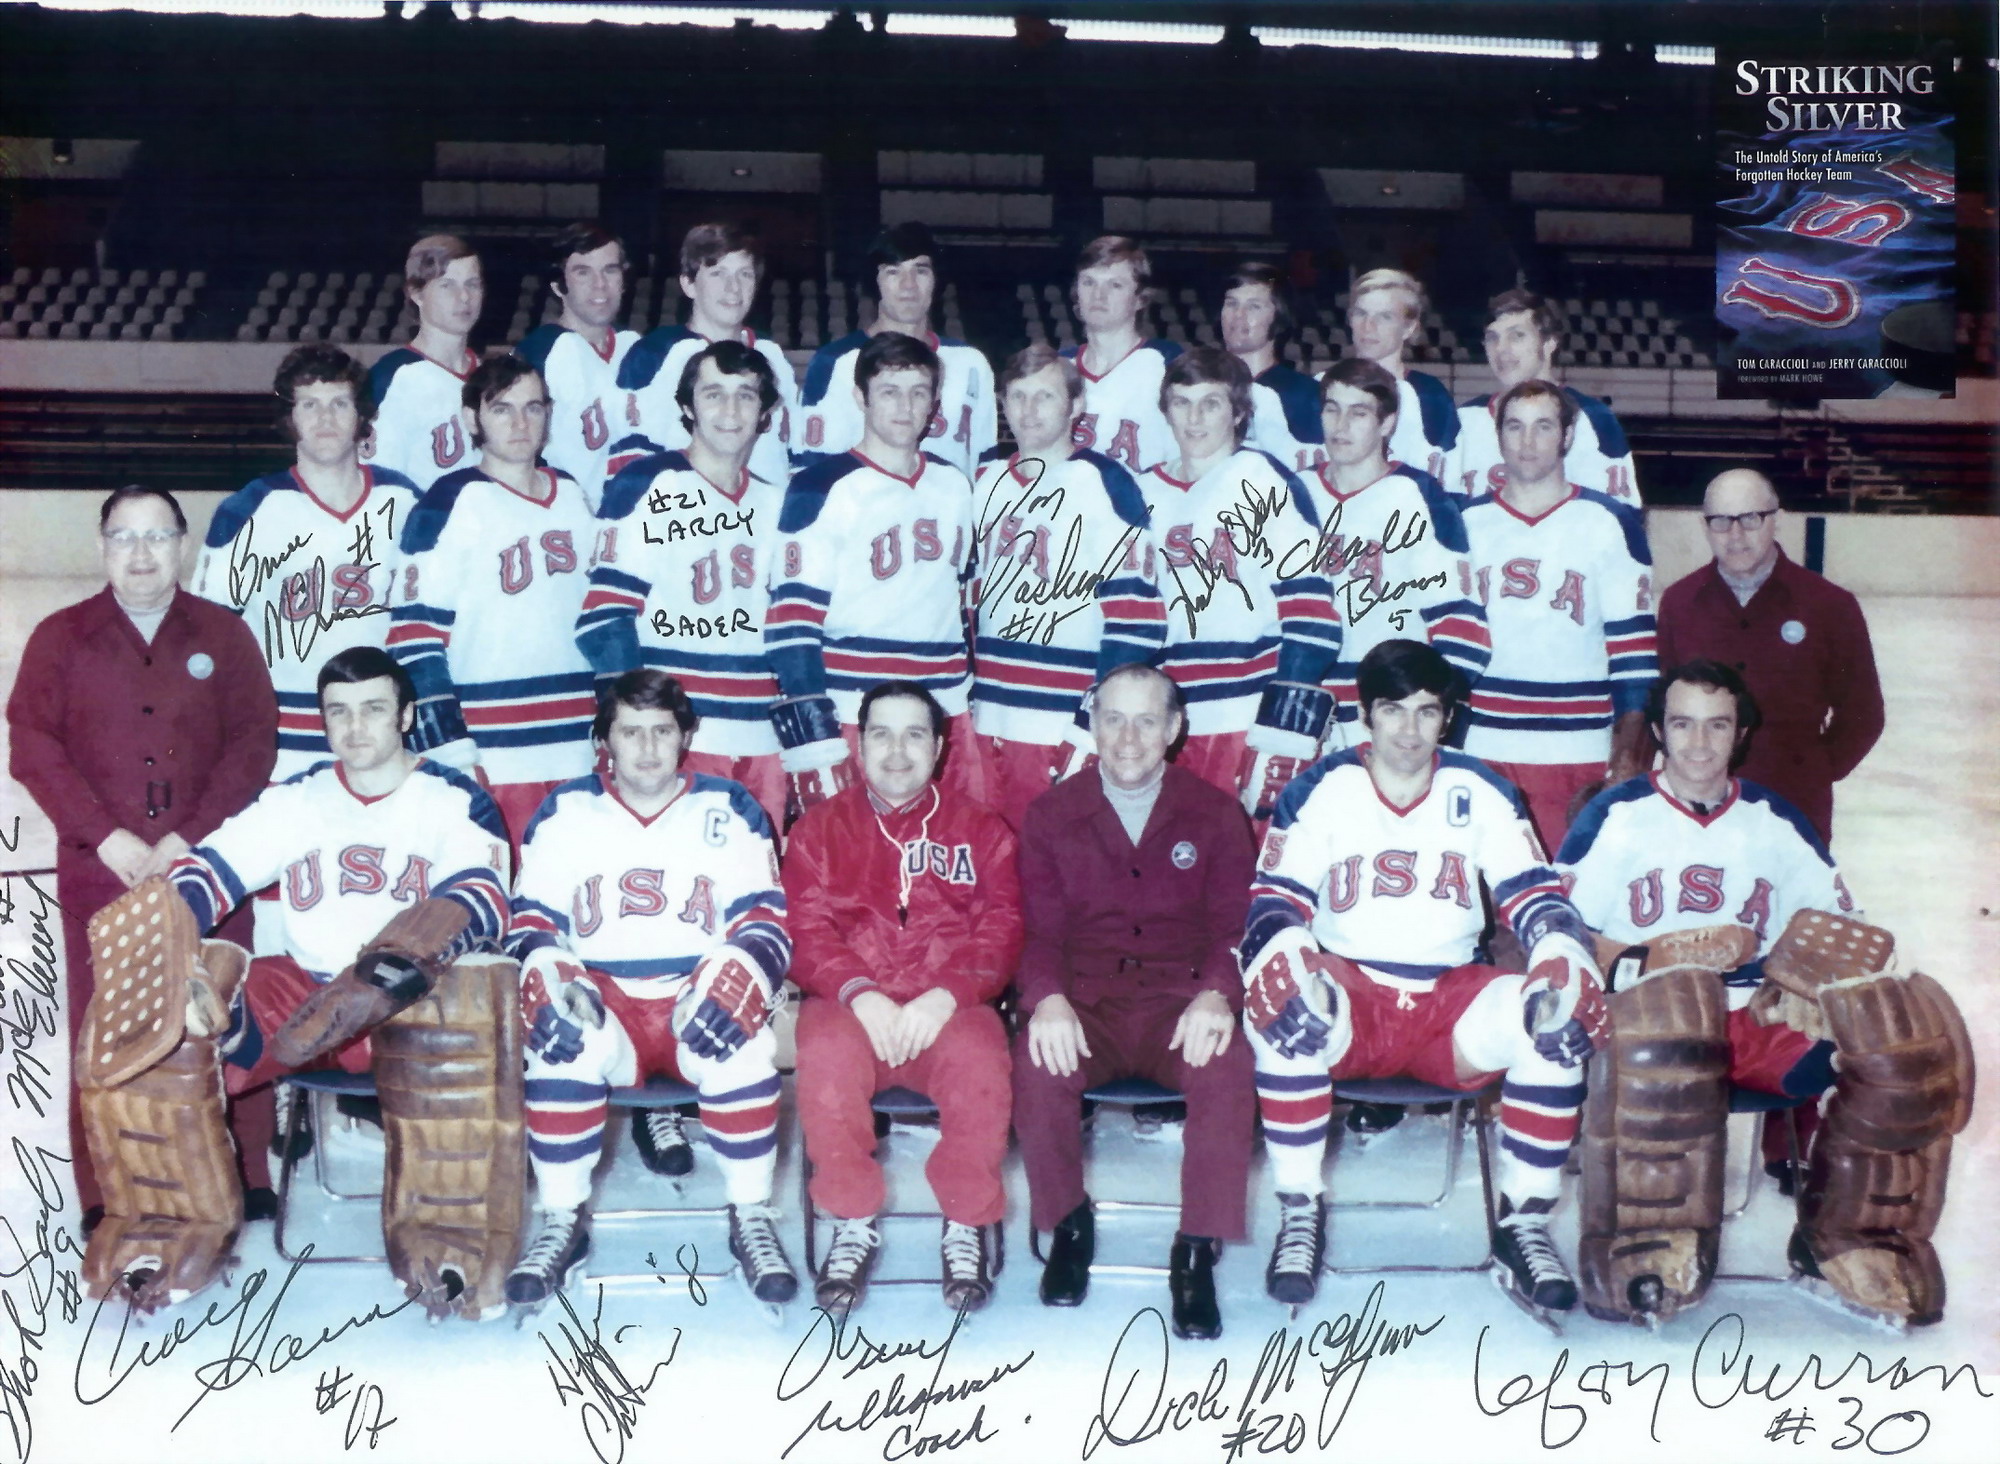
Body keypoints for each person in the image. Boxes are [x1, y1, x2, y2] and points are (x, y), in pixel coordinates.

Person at [86, 646, 512, 1315]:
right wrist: (166, 942)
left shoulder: (454, 798)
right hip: (307, 1000)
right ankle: (168, 1231)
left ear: (406, 715)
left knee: (464, 1021)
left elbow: (482, 898)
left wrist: (389, 968)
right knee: (163, 1038)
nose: (356, 727)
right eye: (338, 712)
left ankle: (450, 1241)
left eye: (373, 709)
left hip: (410, 1003)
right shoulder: (298, 797)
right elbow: (211, 869)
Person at [1558, 662, 1966, 1329]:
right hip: (1644, 1015)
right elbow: (1558, 934)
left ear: (1740, 733)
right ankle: (1645, 1240)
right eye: (1682, 724)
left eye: (1717, 726)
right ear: (1658, 730)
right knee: (1670, 1039)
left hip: (1755, 1014)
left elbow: (1847, 928)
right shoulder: (1618, 816)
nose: (1697, 744)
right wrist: (1658, 954)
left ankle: (1845, 1235)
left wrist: (1806, 979)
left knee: (1896, 1052)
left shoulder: (1773, 819)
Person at [1241, 638, 1608, 1318]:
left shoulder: (1484, 789)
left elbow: (1535, 896)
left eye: (1426, 712)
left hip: (1450, 1003)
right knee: (1287, 999)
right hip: (1352, 996)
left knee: (1548, 1017)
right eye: (1392, 711)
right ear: (1366, 714)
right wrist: (1283, 954)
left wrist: (1563, 953)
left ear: (1448, 718)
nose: (1409, 731)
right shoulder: (1321, 788)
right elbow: (1274, 902)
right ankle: (1300, 1209)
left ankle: (1521, 1224)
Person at [7, 485, 278, 1226]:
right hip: (103, 866)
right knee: (104, 1022)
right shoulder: (60, 638)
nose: (141, 553)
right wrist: (109, 835)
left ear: (182, 545)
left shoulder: (223, 635)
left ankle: (246, 1166)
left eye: (157, 536)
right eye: (124, 537)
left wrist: (189, 837)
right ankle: (106, 1188)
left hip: (212, 863)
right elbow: (32, 748)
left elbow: (255, 743)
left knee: (224, 1007)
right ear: (101, 548)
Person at [503, 669, 797, 1310]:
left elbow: (766, 920)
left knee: (741, 1039)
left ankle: (750, 1215)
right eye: (629, 732)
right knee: (562, 1037)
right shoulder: (568, 810)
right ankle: (561, 1220)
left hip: (696, 998)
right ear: (602, 741)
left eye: (662, 731)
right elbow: (529, 921)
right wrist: (549, 970)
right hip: (606, 1003)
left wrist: (743, 971)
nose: (646, 748)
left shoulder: (728, 806)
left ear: (686, 734)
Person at [1013, 663, 1256, 1339]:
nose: (1127, 737)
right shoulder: (1050, 815)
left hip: (1180, 1002)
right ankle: (1067, 1224)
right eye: (1112, 718)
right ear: (1090, 723)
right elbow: (1036, 932)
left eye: (1146, 720)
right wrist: (1047, 1002)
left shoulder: (1214, 814)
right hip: (1086, 1003)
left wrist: (1217, 993)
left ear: (1175, 730)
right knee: (1037, 1066)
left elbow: (1236, 927)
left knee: (1226, 1068)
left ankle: (1195, 1250)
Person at [784, 682, 1022, 1315]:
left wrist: (946, 997)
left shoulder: (982, 830)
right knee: (825, 1058)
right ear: (857, 745)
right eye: (880, 734)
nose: (897, 751)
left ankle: (965, 1223)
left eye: (914, 734)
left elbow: (1002, 929)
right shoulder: (819, 830)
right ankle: (852, 1220)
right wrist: (861, 995)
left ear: (941, 747)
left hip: (947, 1008)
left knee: (980, 1060)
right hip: (852, 1007)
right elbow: (804, 932)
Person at [765, 331, 985, 823]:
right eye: (889, 391)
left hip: (943, 708)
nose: (905, 407)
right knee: (851, 866)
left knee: (947, 861)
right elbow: (791, 622)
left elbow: (965, 603)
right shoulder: (819, 486)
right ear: (861, 396)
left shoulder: (954, 485)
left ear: (934, 401)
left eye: (919, 392)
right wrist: (816, 736)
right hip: (854, 710)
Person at [390, 355, 600, 852]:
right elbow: (414, 636)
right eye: (502, 409)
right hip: (494, 746)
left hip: (576, 740)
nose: (521, 423)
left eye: (533, 408)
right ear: (471, 419)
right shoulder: (447, 503)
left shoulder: (572, 495)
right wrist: (449, 746)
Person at [581, 340, 791, 826]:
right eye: (713, 394)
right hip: (677, 735)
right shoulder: (647, 482)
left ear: (764, 413)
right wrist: (634, 729)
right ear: (686, 406)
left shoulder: (779, 503)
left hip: (762, 736)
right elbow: (604, 618)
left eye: (746, 395)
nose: (731, 410)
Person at [193, 344, 421, 779]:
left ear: (362, 414)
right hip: (282, 741)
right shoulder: (252, 509)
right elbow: (209, 635)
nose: (325, 418)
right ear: (289, 418)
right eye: (309, 405)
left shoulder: (406, 501)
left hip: (383, 738)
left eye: (339, 403)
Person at [1135, 347, 1340, 820]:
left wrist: (1282, 728)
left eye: (1210, 403)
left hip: (1244, 715)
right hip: (1163, 720)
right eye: (1182, 402)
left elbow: (1311, 614)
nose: (1194, 417)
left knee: (1246, 866)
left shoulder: (1264, 480)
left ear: (1240, 412)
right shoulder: (1142, 492)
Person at [970, 345, 1164, 828]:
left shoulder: (1106, 482)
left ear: (1076, 404)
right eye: (1018, 396)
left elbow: (1136, 620)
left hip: (1057, 721)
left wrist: (1091, 723)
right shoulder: (983, 478)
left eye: (1045, 396)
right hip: (984, 718)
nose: (1029, 410)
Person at [1460, 380, 1656, 852]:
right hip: (1482, 746)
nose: (1527, 442)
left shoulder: (1609, 523)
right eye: (1515, 427)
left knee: (1571, 906)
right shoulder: (1462, 524)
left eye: (1543, 427)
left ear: (1567, 436)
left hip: (1579, 749)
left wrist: (1627, 755)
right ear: (1498, 436)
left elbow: (1635, 658)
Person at [1655, 467, 1883, 842]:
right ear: (1705, 527)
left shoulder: (1830, 606)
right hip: (1698, 809)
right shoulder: (1679, 603)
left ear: (1774, 519)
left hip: (1795, 807)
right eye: (1721, 522)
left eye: (1750, 518)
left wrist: (1815, 769)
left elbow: (1863, 714)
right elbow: (1664, 706)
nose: (1736, 535)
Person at [1308, 357, 1490, 742]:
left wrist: (1430, 719)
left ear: (1386, 423)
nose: (1340, 427)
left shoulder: (1418, 496)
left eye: (1358, 413)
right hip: (1306, 710)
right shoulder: (1293, 492)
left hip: (1391, 713)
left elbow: (1461, 627)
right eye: (1331, 409)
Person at [794, 222, 997, 479]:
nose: (908, 285)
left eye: (920, 271)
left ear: (936, 280)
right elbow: (810, 471)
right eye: (893, 272)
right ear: (874, 282)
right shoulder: (835, 362)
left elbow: (984, 469)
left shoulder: (972, 363)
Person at [613, 222, 796, 488]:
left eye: (744, 274)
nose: (733, 288)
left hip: (761, 518)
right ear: (688, 284)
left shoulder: (772, 355)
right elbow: (628, 467)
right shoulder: (655, 354)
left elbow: (788, 454)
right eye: (717, 273)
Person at [1455, 289, 1640, 502]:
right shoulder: (1465, 419)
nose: (1501, 349)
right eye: (1492, 338)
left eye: (1517, 336)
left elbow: (1621, 517)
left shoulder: (1592, 417)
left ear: (1549, 343)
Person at [515, 221, 640, 510]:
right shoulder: (539, 353)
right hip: (565, 521)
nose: (600, 285)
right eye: (583, 272)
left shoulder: (637, 349)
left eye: (610, 270)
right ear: (559, 285)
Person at [365, 234, 484, 489]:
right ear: (416, 293)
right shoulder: (391, 378)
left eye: (473, 284)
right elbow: (378, 489)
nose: (464, 297)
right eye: (447, 285)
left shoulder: (493, 376)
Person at [1060, 236, 1183, 473]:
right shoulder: (1059, 367)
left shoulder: (1166, 363)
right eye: (1088, 282)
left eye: (1115, 285)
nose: (1099, 295)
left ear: (1140, 299)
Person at [1344, 267, 1459, 489]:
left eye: (1384, 316)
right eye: (1360, 314)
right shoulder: (1321, 386)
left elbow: (1449, 482)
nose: (1368, 327)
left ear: (1409, 328)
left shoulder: (1429, 395)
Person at [1220, 260, 1325, 475]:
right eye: (1231, 303)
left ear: (1279, 316)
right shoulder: (1202, 387)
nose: (1238, 315)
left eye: (1253, 306)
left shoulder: (1305, 394)